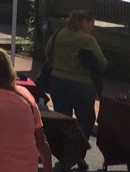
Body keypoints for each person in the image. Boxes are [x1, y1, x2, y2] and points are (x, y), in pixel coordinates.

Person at [44, 9, 107, 142]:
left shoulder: (58, 34)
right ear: (84, 22)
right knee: (86, 119)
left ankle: (64, 152)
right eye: (91, 23)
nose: (92, 27)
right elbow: (102, 63)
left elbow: (47, 51)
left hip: (57, 80)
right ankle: (78, 148)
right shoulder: (87, 40)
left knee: (62, 118)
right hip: (82, 84)